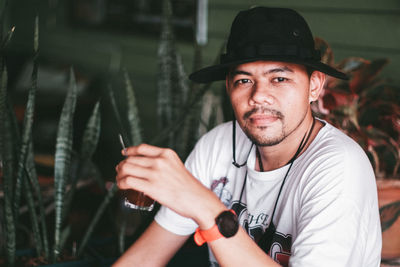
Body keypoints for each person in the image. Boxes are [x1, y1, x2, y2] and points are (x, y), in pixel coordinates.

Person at [113, 6, 382, 267]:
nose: (258, 96)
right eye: (244, 80)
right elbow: (146, 257)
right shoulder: (217, 145)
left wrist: (207, 209)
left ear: (314, 86)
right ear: (229, 87)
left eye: (279, 79)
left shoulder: (338, 167)